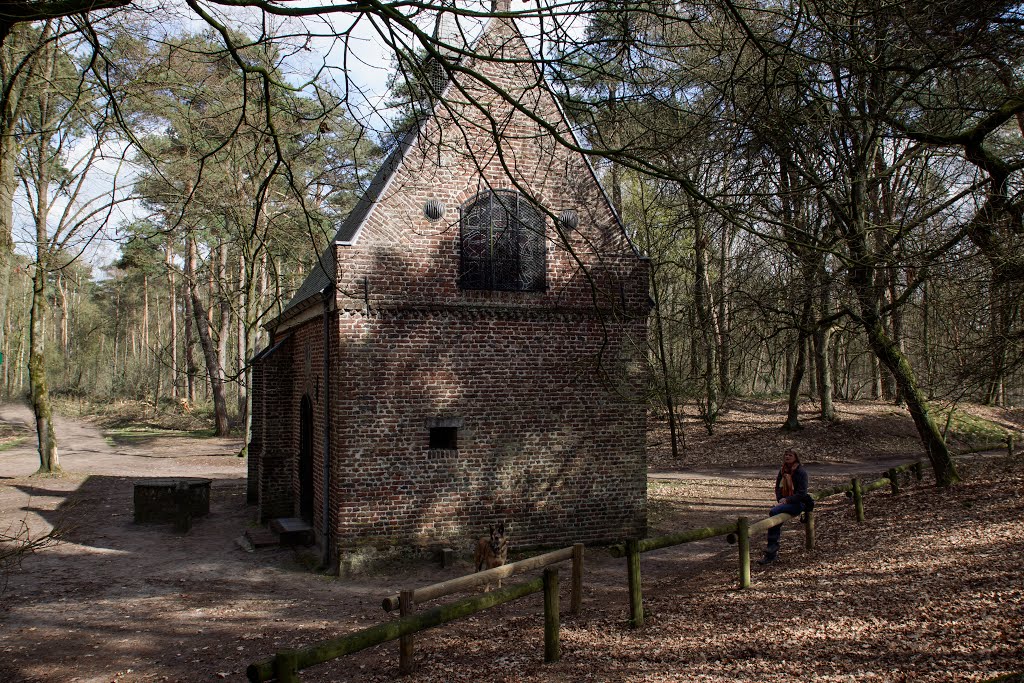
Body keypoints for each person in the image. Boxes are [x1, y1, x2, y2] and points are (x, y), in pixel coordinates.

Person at [759, 448, 813, 565]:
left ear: (796, 457)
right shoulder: (783, 471)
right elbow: (778, 487)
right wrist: (781, 499)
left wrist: (787, 500)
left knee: (774, 512)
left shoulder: (801, 472)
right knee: (776, 517)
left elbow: (802, 493)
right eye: (786, 455)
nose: (787, 457)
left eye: (790, 455)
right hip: (786, 502)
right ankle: (771, 552)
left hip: (798, 503)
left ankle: (772, 547)